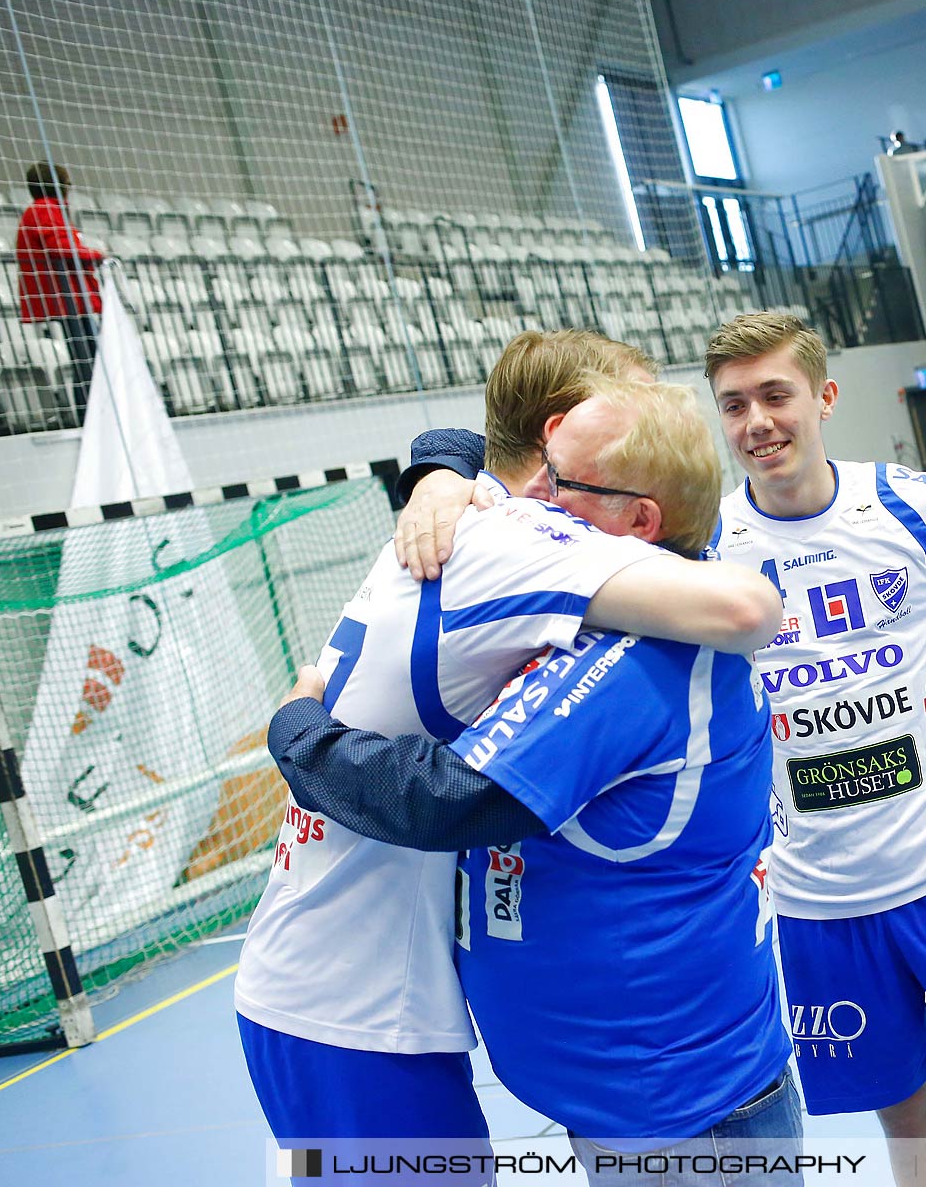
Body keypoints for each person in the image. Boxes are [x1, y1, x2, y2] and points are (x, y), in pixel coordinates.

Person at [394, 311, 926, 1187]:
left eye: (777, 396)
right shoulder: (705, 557)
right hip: (817, 902)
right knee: (914, 1129)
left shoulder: (906, 506)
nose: (758, 422)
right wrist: (442, 476)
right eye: (734, 405)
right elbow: (527, 506)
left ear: (825, 397)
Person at [235, 332, 783, 1172]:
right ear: (556, 427)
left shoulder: (476, 521)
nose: (541, 493)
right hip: (349, 997)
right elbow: (746, 604)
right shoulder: (513, 537)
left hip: (352, 976)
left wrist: (437, 469)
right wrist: (299, 739)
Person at [14, 162, 103, 423]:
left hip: (70, 296)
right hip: (66, 297)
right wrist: (96, 256)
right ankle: (90, 418)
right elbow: (59, 247)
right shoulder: (44, 210)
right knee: (86, 360)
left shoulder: (48, 211)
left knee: (89, 359)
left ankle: (93, 415)